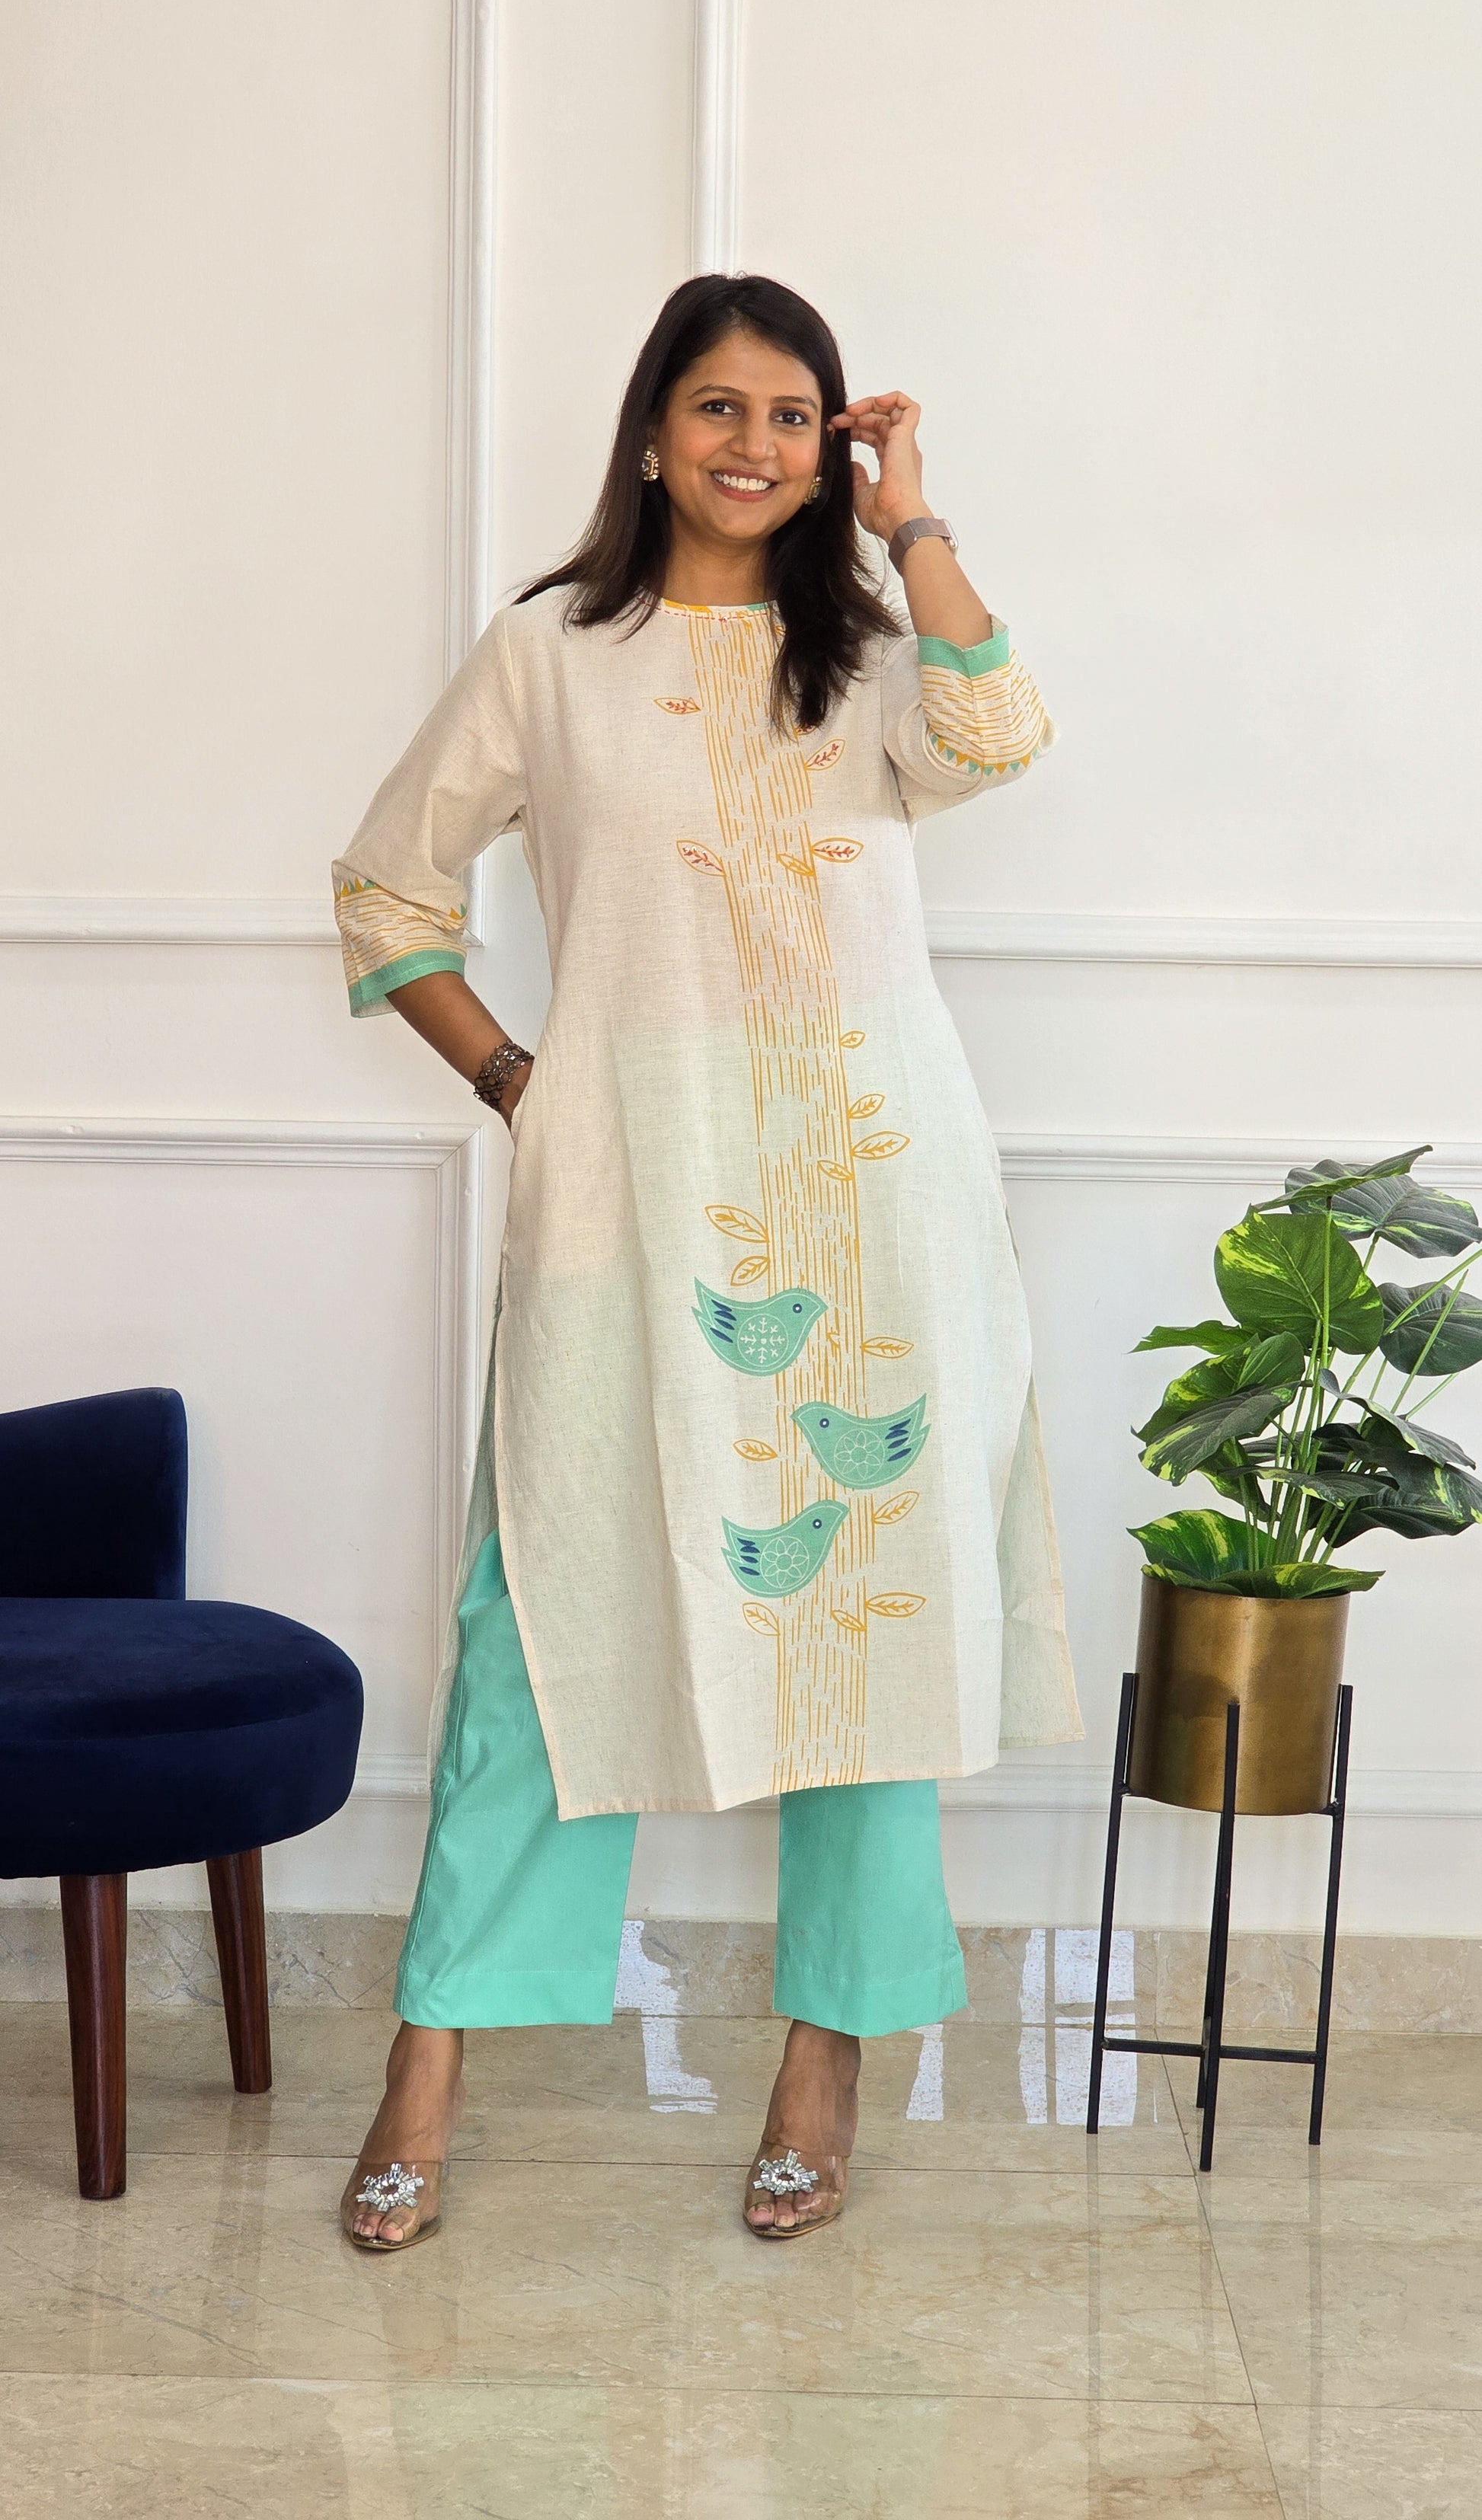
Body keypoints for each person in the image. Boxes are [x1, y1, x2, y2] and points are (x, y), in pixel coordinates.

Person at [331, 272, 1081, 2253]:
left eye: (791, 416)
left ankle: (823, 2063)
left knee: (861, 1630)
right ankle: (427, 2067)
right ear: (653, 430)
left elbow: (1003, 730)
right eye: (719, 407)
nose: (753, 445)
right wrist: (518, 1079)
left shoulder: (871, 654)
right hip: (627, 1197)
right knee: (539, 1619)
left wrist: (913, 519)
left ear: (824, 447)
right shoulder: (550, 652)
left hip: (873, 1204)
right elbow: (390, 885)